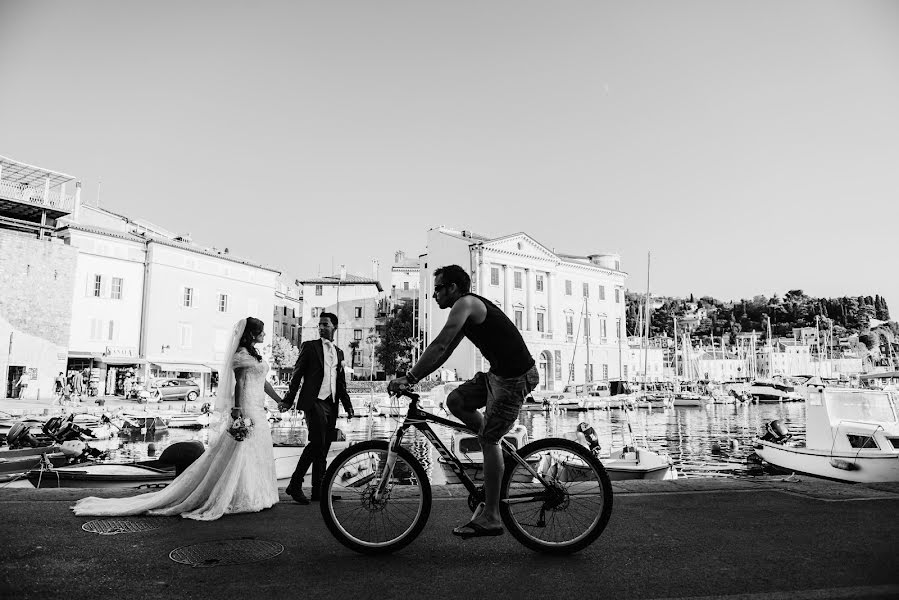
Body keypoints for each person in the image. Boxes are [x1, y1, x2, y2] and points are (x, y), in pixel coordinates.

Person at [72, 317, 281, 520]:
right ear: (252, 334)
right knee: (241, 451)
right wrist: (237, 409)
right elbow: (240, 384)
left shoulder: (255, 355)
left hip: (258, 408)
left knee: (256, 451)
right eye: (261, 331)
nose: (264, 334)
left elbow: (262, 382)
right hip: (247, 407)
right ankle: (239, 494)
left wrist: (279, 400)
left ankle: (256, 492)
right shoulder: (242, 355)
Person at [387, 265, 539, 539]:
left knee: (488, 440)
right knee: (456, 401)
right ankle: (495, 446)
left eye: (437, 289)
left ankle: (492, 516)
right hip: (498, 375)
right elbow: (444, 352)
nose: (434, 295)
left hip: (515, 377)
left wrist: (409, 377)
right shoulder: (465, 311)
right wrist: (416, 376)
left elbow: (440, 345)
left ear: (453, 288)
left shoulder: (466, 303)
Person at [279, 311, 354, 504]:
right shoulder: (309, 347)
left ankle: (319, 491)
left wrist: (348, 405)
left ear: (334, 327)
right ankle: (295, 484)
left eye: (325, 325)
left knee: (323, 447)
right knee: (316, 443)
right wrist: (288, 400)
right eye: (319, 325)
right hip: (314, 402)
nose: (321, 327)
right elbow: (296, 376)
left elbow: (341, 383)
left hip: (332, 403)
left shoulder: (339, 352)